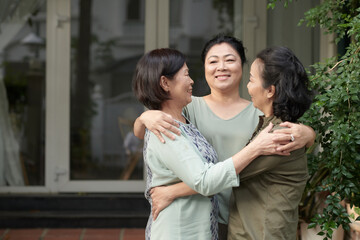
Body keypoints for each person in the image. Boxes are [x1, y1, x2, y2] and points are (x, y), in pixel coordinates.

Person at [133, 34, 316, 240]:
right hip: (208, 217)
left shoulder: (261, 115)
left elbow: (234, 170)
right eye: (213, 61)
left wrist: (309, 134)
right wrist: (146, 116)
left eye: (229, 60)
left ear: (242, 66)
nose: (221, 67)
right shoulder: (187, 107)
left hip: (247, 221)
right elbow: (147, 135)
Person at [227, 46, 313, 239]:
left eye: (251, 80)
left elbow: (225, 174)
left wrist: (170, 192)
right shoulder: (274, 127)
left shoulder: (279, 136)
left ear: (270, 91)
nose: (247, 86)